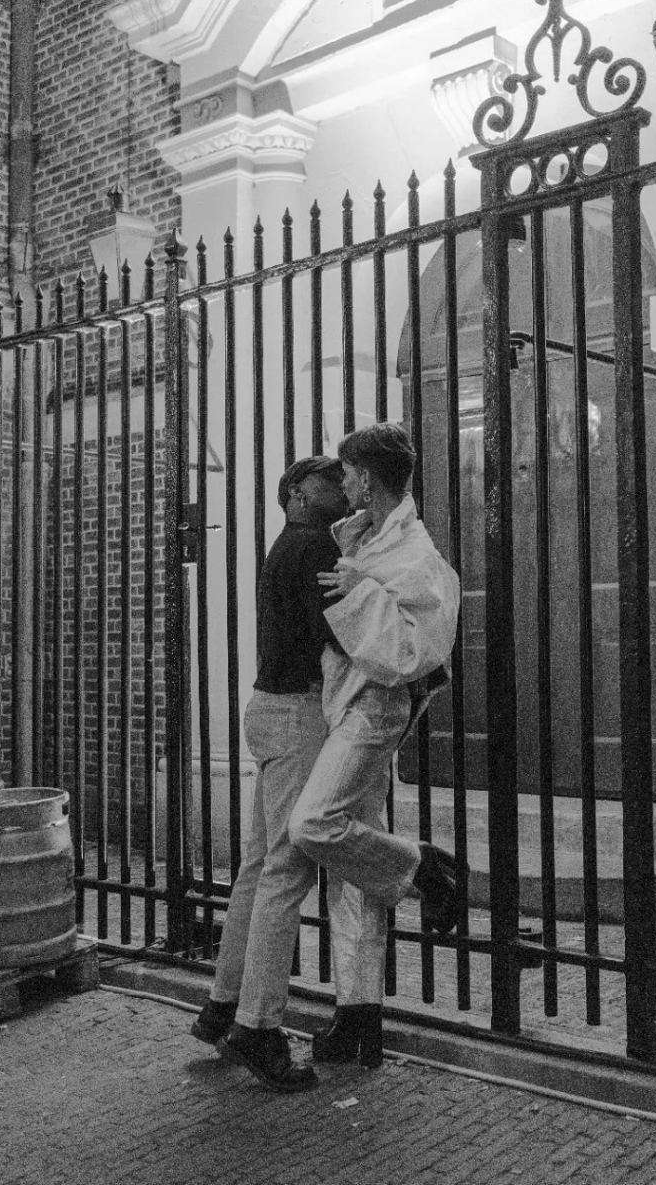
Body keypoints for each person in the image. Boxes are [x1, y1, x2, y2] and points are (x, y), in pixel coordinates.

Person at [288, 422, 462, 1070]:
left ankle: (423, 868)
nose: (343, 483)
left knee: (313, 824)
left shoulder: (414, 553)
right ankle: (359, 1018)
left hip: (374, 709)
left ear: (368, 476)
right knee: (353, 874)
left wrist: (359, 592)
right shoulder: (368, 535)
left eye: (350, 473)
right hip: (346, 701)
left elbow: (417, 651)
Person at [190, 455, 348, 1093]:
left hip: (267, 711)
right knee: (288, 868)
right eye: (328, 481)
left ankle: (223, 1004)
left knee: (258, 866)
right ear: (297, 494)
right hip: (297, 715)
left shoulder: (291, 543)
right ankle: (258, 1026)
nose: (341, 488)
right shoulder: (311, 546)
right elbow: (334, 636)